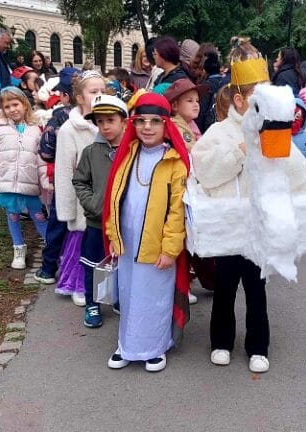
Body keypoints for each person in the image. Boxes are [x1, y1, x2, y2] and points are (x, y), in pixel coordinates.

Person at [192, 37, 288, 373]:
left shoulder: (274, 133)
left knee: (257, 290)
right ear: (239, 100)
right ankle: (221, 342)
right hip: (228, 227)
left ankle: (258, 346)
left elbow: (285, 177)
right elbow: (204, 172)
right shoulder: (218, 132)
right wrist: (239, 152)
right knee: (225, 288)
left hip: (258, 227)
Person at [103, 92, 190, 373]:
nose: (147, 127)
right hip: (127, 242)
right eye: (141, 121)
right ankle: (127, 344)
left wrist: (170, 249)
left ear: (166, 125)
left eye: (155, 121)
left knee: (154, 296)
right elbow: (114, 198)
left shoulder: (174, 162)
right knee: (129, 293)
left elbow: (177, 212)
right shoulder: (127, 155)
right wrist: (113, 235)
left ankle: (154, 347)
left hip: (157, 246)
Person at [0, 87, 48, 268]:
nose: (12, 109)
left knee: (38, 215)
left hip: (29, 182)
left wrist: (46, 181)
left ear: (25, 104)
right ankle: (18, 248)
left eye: (15, 104)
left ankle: (52, 246)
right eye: (7, 107)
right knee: (13, 215)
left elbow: (42, 158)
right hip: (6, 182)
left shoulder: (36, 130)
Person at [72, 95, 128, 327]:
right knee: (93, 264)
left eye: (110, 120)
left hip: (125, 222)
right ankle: (92, 303)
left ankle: (118, 298)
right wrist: (93, 203)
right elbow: (80, 181)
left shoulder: (133, 150)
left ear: (124, 121)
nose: (105, 126)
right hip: (97, 222)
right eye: (100, 121)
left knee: (122, 264)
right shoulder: (91, 152)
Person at [55, 71, 105, 309]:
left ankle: (103, 287)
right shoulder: (69, 130)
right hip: (82, 201)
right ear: (80, 97)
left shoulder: (110, 123)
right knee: (80, 245)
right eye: (93, 92)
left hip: (105, 198)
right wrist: (67, 211)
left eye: (103, 91)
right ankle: (78, 285)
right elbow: (64, 172)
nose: (99, 95)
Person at [35, 67, 78, 285]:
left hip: (65, 179)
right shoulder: (99, 116)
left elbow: (45, 150)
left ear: (66, 96)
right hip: (94, 181)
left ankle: (48, 268)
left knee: (58, 222)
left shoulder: (60, 116)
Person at [164, 78, 205, 151]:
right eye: (190, 101)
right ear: (175, 106)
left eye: (197, 101)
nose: (196, 104)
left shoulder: (189, 123)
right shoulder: (177, 127)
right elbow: (194, 151)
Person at [196, 50, 227, 134]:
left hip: (208, 129)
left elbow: (201, 111)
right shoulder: (225, 83)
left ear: (205, 70)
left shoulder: (205, 86)